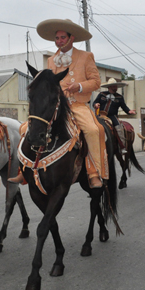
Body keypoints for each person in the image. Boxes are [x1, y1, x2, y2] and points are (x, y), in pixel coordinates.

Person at [32, 18, 108, 188]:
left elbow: (96, 82)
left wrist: (79, 86)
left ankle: (94, 173)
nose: (59, 41)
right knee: (27, 128)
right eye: (57, 38)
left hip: (77, 105)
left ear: (71, 38)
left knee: (93, 130)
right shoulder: (51, 60)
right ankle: (26, 169)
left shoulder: (85, 56)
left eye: (62, 38)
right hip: (57, 107)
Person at [93, 78, 136, 154]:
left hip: (112, 116)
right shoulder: (101, 94)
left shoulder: (119, 97)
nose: (116, 87)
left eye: (116, 86)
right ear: (109, 87)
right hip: (101, 115)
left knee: (119, 128)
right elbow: (95, 102)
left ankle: (122, 146)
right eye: (114, 86)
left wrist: (129, 111)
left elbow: (124, 107)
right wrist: (96, 105)